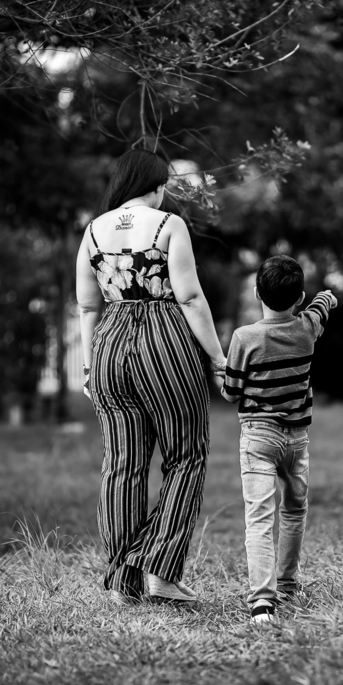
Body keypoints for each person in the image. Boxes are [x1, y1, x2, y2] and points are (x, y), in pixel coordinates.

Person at [76, 149, 227, 606]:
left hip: (109, 342)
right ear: (157, 186)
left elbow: (86, 306)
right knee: (186, 455)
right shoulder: (168, 225)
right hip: (163, 339)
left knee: (122, 464)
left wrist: (88, 366)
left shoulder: (93, 232)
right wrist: (219, 360)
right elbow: (191, 297)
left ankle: (125, 582)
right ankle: (158, 569)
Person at [221, 255, 337, 624]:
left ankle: (262, 603)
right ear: (298, 298)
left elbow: (231, 392)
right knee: (294, 510)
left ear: (257, 293)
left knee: (259, 518)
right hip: (297, 439)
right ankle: (287, 583)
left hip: (259, 438)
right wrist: (327, 298)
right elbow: (321, 307)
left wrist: (222, 369)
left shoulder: (245, 338)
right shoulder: (307, 329)